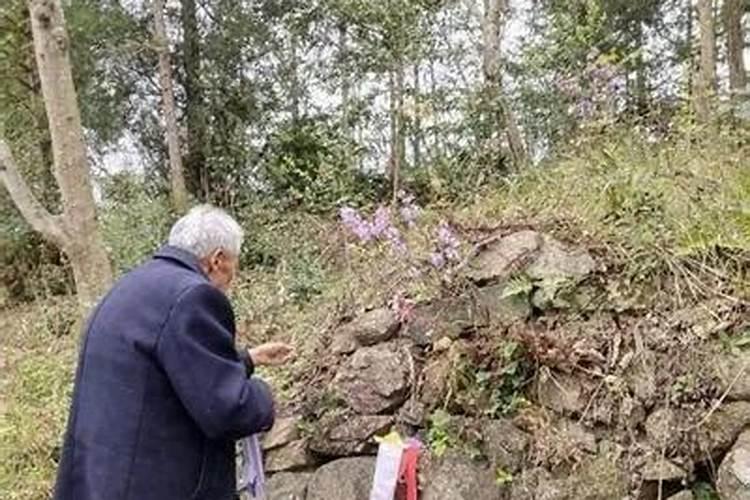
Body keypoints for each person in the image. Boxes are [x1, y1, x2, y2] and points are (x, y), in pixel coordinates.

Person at [53, 205, 294, 500]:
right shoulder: (193, 296)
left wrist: (248, 359)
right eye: (234, 265)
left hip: (101, 479)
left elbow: (167, 369)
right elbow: (225, 409)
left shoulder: (131, 287)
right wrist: (264, 396)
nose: (233, 278)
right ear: (217, 260)